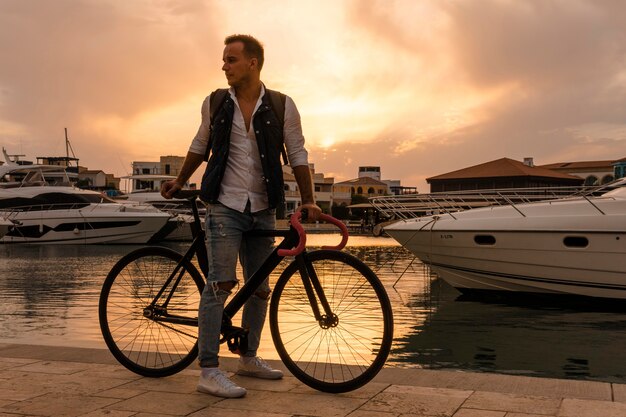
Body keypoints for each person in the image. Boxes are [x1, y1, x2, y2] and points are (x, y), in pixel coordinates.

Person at [161, 34, 322, 398]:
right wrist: (179, 180)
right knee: (219, 283)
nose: (224, 66)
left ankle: (248, 358)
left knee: (259, 288)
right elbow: (200, 146)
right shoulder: (216, 102)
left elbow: (297, 154)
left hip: (263, 206)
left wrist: (310, 199)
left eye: (231, 59)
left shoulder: (282, 105)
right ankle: (209, 369)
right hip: (224, 205)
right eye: (224, 60)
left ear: (253, 63)